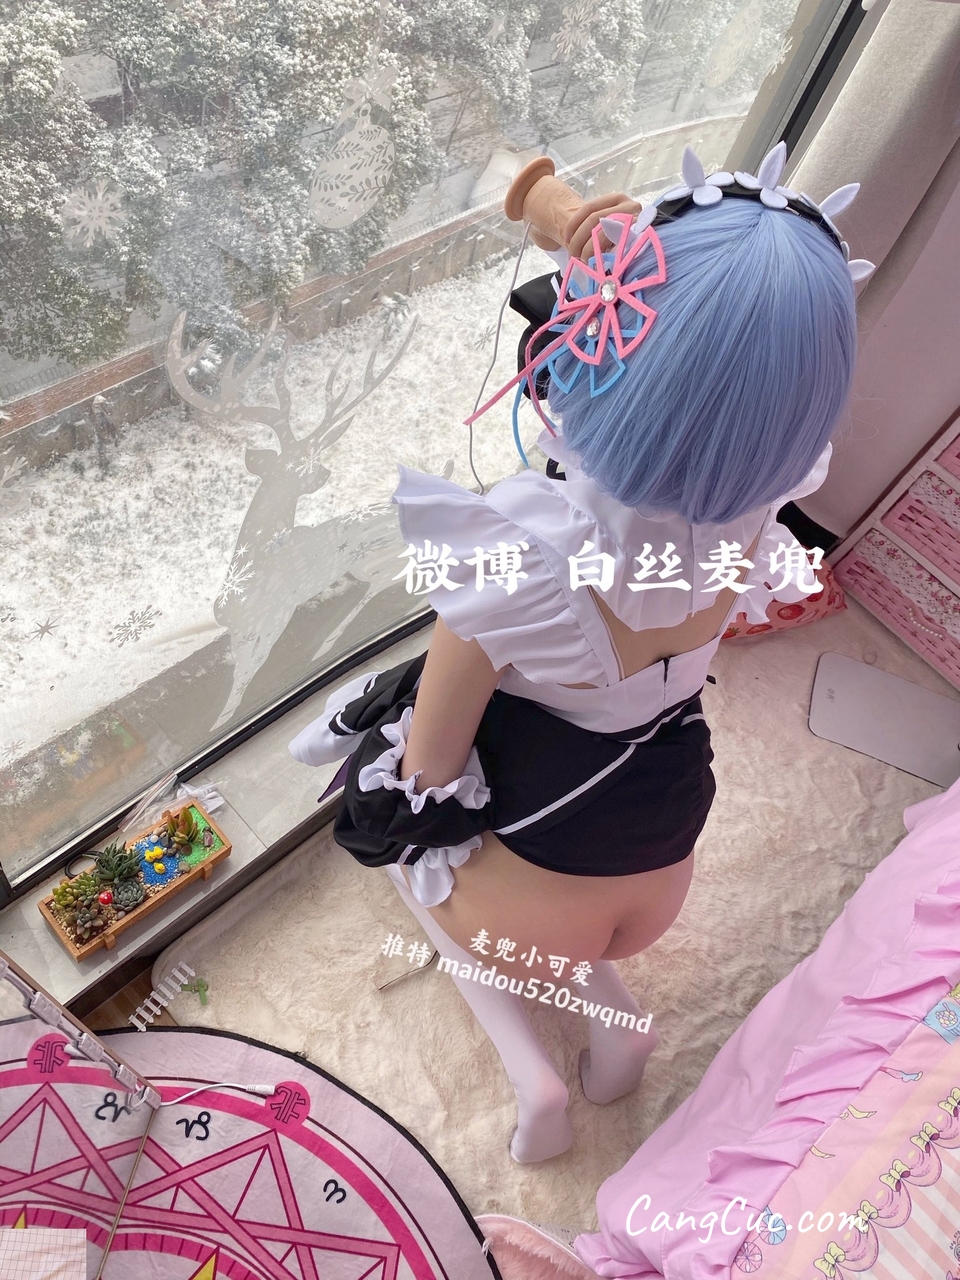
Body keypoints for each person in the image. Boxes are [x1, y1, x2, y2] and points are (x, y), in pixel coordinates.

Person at [289, 143, 871, 1163]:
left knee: (410, 841)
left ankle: (538, 1080)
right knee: (555, 885)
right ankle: (618, 1026)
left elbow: (429, 766)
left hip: (543, 904)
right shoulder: (760, 510)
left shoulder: (522, 553)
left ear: (591, 347)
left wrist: (396, 795)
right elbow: (721, 362)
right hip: (663, 851)